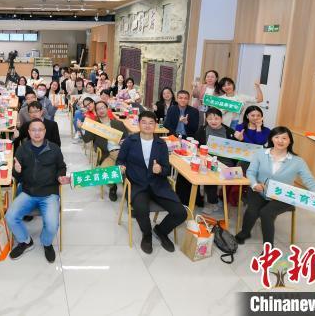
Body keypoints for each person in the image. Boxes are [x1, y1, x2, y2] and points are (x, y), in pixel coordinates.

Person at [235, 126, 315, 247]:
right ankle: (244, 233)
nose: (280, 140)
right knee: (252, 210)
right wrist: (255, 184)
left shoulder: (298, 161)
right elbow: (251, 172)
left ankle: (268, 250)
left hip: (283, 197)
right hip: (259, 191)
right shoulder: (260, 153)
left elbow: (312, 183)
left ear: (290, 141)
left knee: (266, 213)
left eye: (284, 138)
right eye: (277, 137)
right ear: (271, 139)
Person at [117, 111, 187, 254]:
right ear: (139, 123)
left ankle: (161, 231)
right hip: (137, 184)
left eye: (151, 123)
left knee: (181, 213)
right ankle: (147, 235)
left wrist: (160, 169)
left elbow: (167, 170)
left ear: (155, 125)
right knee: (141, 209)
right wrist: (121, 167)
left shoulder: (161, 144)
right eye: (144, 122)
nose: (147, 125)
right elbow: (120, 160)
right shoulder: (130, 141)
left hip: (159, 184)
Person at [6, 118, 69, 262]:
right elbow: (17, 176)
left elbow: (61, 167)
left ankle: (46, 243)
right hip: (28, 192)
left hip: (49, 193)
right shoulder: (23, 149)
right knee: (10, 217)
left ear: (45, 131)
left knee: (52, 225)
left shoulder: (54, 148)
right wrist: (16, 171)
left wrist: (60, 176)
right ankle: (26, 241)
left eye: (40, 130)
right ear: (28, 132)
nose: (37, 133)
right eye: (33, 130)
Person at [81, 101, 128, 202]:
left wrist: (124, 141)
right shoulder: (95, 126)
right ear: (96, 112)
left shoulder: (118, 123)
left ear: (107, 109)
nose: (101, 110)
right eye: (98, 109)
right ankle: (113, 187)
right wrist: (82, 127)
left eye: (103, 107)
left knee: (130, 171)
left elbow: (127, 138)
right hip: (108, 154)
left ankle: (129, 193)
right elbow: (86, 139)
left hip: (123, 153)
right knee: (103, 174)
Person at [193, 108, 236, 213]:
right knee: (208, 173)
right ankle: (212, 201)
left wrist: (240, 138)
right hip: (208, 160)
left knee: (215, 174)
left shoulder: (229, 131)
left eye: (216, 118)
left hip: (226, 163)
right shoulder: (202, 130)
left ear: (221, 119)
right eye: (210, 119)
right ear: (206, 119)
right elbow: (196, 145)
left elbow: (238, 149)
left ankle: (216, 200)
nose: (213, 121)